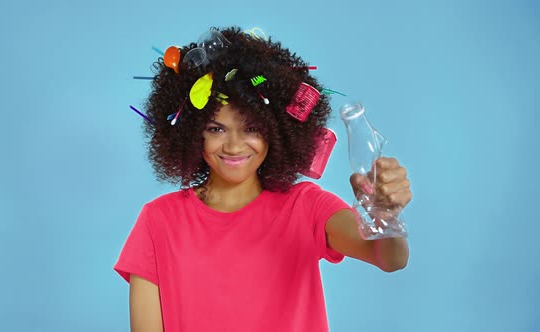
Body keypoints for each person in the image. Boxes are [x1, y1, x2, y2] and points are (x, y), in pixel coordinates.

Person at [114, 27, 412, 332]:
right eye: (216, 129)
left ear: (276, 131)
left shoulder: (306, 206)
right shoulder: (159, 220)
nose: (233, 145)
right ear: (192, 133)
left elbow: (389, 258)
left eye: (252, 128)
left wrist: (385, 215)